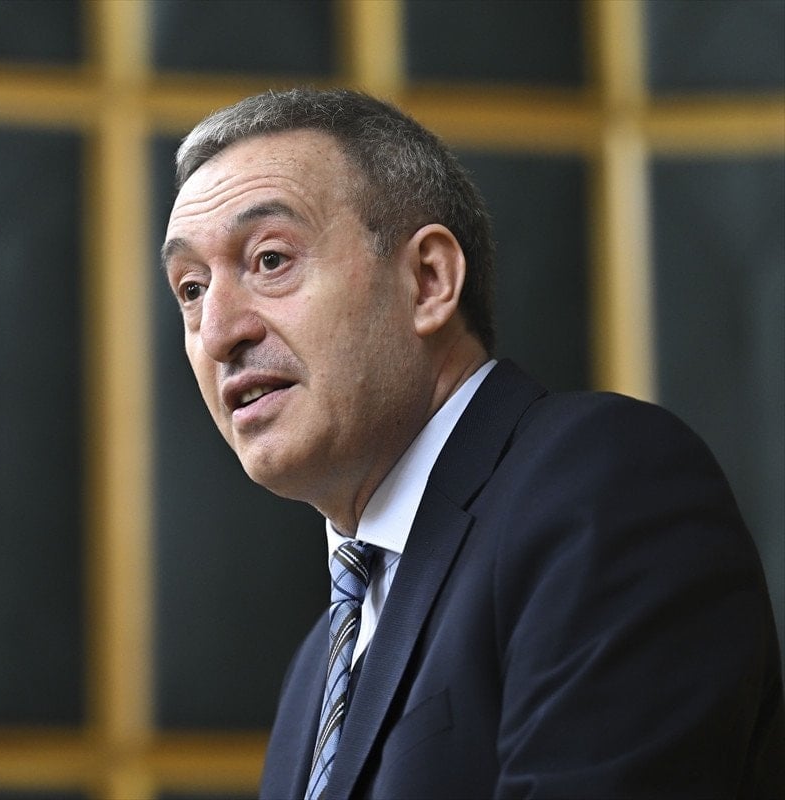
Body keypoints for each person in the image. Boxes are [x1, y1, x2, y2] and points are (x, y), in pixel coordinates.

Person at [160, 88, 784, 799]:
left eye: (270, 259)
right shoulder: (317, 668)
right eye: (191, 289)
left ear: (428, 280)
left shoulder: (605, 485)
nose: (219, 333)